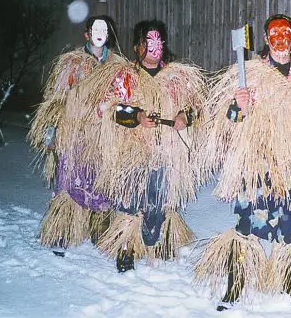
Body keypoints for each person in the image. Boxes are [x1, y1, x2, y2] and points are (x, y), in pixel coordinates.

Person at [193, 14, 291, 311]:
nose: (280, 39)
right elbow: (228, 124)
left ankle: (290, 282)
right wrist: (238, 107)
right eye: (274, 34)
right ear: (266, 39)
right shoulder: (249, 75)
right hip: (259, 165)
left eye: (286, 33)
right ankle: (235, 286)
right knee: (246, 228)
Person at [78, 19, 209, 273]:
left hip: (165, 153)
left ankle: (155, 242)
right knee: (130, 200)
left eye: (158, 42)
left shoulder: (176, 78)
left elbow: (195, 107)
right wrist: (136, 116)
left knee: (158, 199)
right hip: (133, 151)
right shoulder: (125, 76)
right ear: (138, 47)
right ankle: (126, 246)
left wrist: (184, 116)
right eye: (148, 42)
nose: (154, 48)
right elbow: (111, 109)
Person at [28, 15, 127, 256]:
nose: (99, 34)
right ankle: (62, 230)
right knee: (69, 180)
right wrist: (51, 132)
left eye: (104, 30)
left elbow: (125, 98)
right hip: (74, 133)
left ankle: (99, 228)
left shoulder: (118, 66)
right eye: (95, 30)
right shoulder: (71, 63)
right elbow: (55, 101)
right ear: (87, 34)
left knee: (100, 182)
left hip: (103, 135)